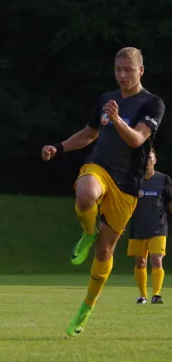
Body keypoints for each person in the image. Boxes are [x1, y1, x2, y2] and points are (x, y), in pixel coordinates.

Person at [41, 47, 165, 337]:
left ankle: (86, 307)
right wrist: (58, 147)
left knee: (106, 250)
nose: (122, 75)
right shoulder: (106, 99)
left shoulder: (152, 104)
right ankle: (87, 231)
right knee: (85, 194)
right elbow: (89, 133)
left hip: (128, 184)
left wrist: (118, 119)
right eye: (118, 69)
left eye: (128, 70)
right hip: (99, 167)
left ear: (141, 71)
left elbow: (137, 140)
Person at [127, 148, 171, 305]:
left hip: (158, 227)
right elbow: (126, 204)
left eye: (150, 158)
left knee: (156, 259)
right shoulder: (134, 181)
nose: (147, 162)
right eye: (144, 159)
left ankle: (156, 295)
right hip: (138, 228)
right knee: (140, 262)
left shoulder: (164, 180)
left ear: (155, 160)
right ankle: (142, 295)